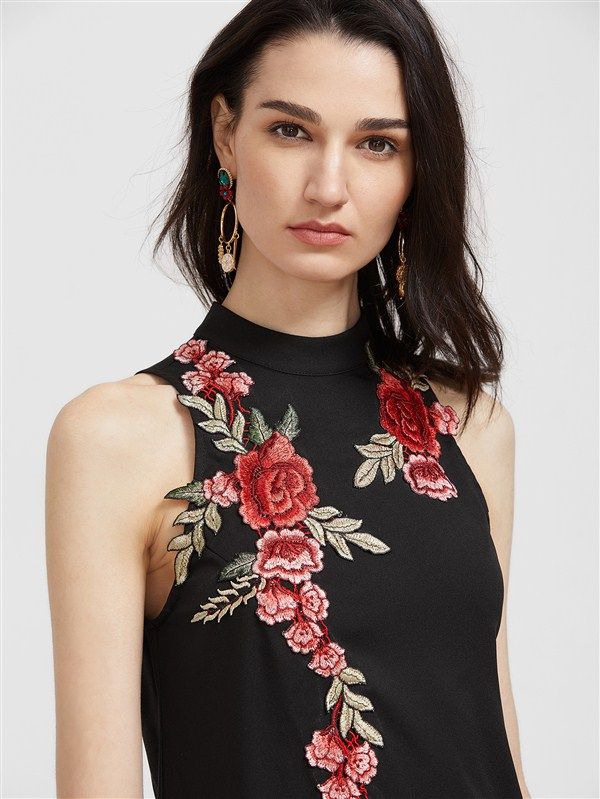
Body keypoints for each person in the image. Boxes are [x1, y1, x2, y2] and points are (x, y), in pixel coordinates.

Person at [45, 0, 531, 797]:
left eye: (378, 143)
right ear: (225, 134)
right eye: (291, 130)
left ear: (416, 172)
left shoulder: (470, 427)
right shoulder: (120, 437)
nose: (329, 186)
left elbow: (494, 737)